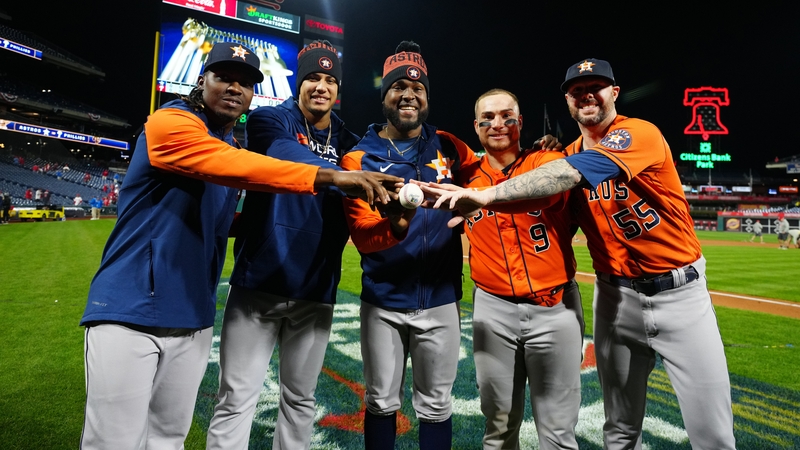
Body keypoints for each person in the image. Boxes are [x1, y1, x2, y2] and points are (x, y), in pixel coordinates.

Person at [79, 42, 400, 450]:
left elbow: (229, 215)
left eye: (245, 83)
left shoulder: (232, 146)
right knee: (114, 442)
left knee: (167, 439)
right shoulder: (169, 122)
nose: (235, 88)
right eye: (224, 78)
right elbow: (239, 166)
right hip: (128, 309)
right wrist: (334, 178)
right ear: (201, 81)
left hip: (193, 316)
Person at [419, 58, 736, 450]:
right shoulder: (560, 154)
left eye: (597, 87)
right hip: (615, 298)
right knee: (619, 430)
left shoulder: (637, 134)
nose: (587, 95)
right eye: (577, 91)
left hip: (680, 294)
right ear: (568, 101)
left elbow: (571, 174)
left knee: (714, 435)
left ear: (614, 93)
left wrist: (483, 197)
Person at [206, 40, 361, 450]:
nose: (321, 86)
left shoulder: (352, 140)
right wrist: (343, 175)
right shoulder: (268, 120)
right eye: (313, 77)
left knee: (300, 401)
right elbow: (282, 153)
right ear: (300, 84)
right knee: (236, 398)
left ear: (338, 89)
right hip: (259, 280)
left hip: (315, 287)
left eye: (330, 80)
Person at [341, 40, 479, 450]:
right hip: (382, 301)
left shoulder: (450, 146)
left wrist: (476, 202)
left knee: (436, 406)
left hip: (440, 300)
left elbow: (487, 173)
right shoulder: (358, 159)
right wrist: (397, 227)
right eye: (399, 86)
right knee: (382, 402)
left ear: (427, 97)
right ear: (383, 96)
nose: (409, 94)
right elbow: (363, 236)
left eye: (418, 89)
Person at [464, 89, 584, 449]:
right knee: (498, 426)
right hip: (492, 307)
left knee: (558, 430)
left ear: (521, 122)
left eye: (506, 116)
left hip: (556, 306)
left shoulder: (547, 160)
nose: (497, 124)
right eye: (487, 117)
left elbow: (562, 191)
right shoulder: (463, 172)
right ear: (476, 126)